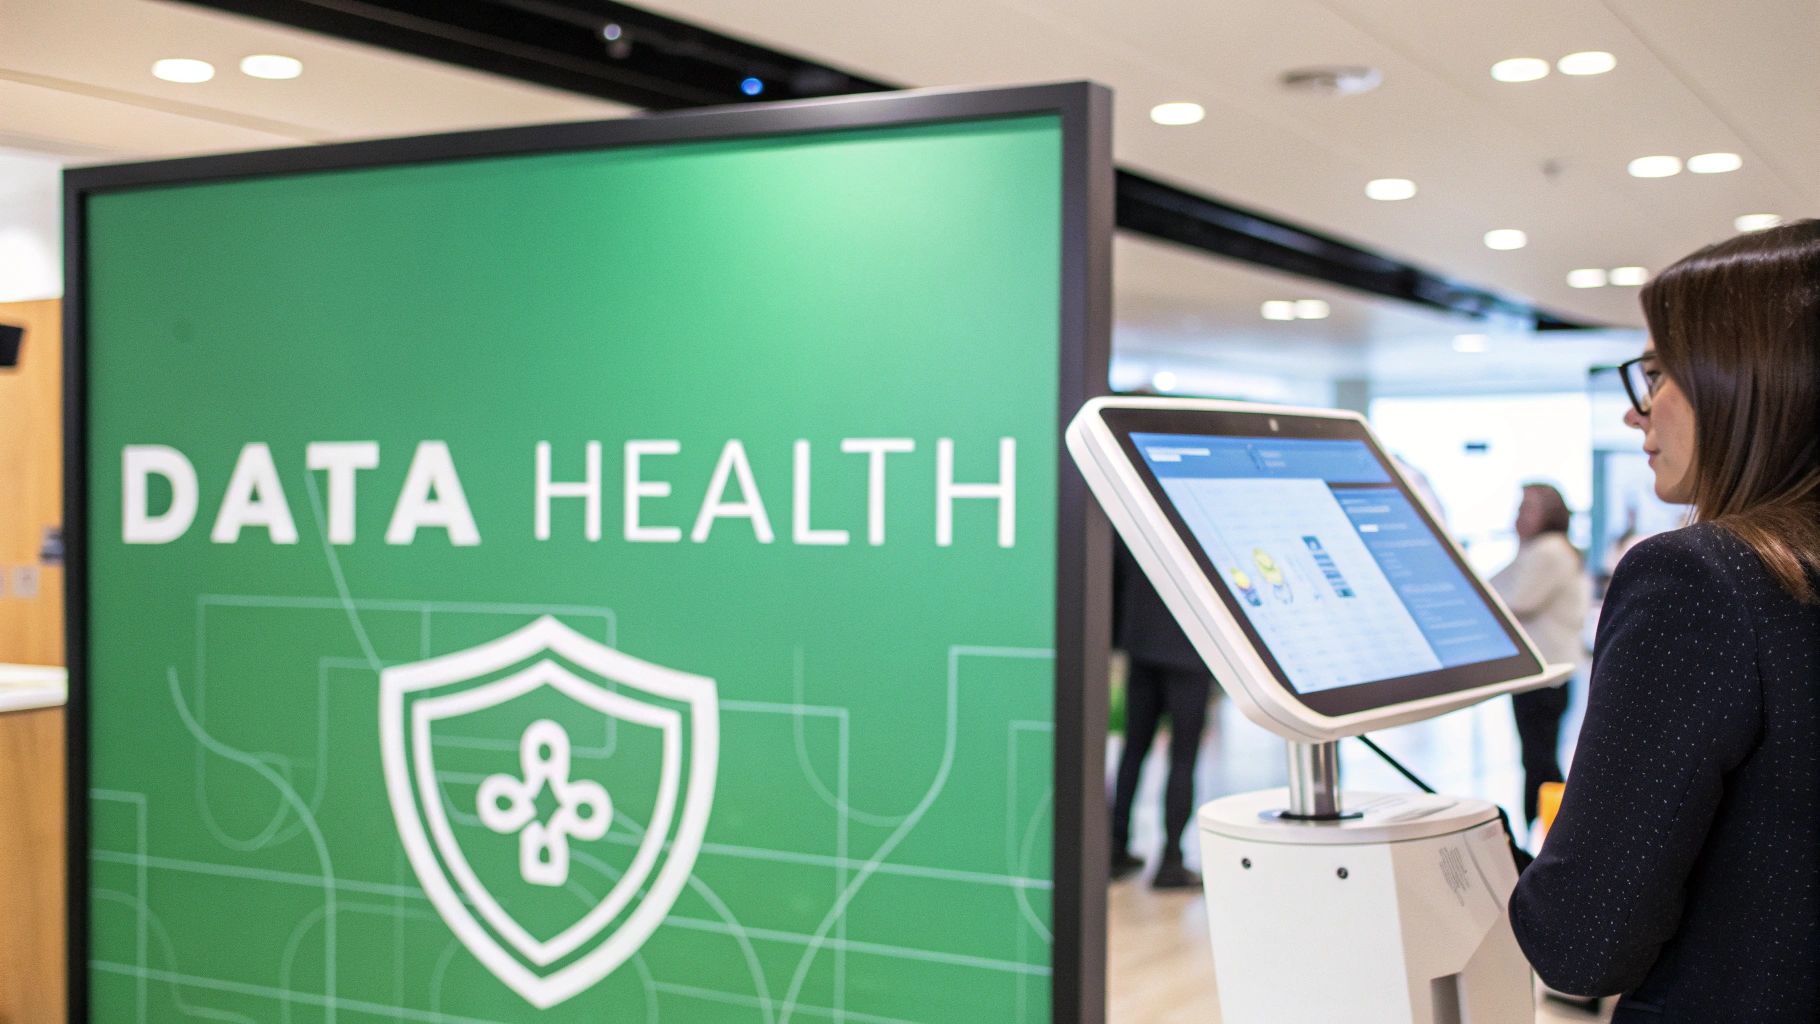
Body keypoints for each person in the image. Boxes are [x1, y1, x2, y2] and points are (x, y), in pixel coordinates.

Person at [1509, 220, 1820, 1021]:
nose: (1636, 414)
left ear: (1745, 379)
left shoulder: (1700, 579)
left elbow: (1584, 942)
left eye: (1656, 373)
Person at [1108, 538, 1214, 890]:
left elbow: (1115, 575)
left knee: (1133, 749)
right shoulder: (1196, 516)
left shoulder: (1137, 510)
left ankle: (1115, 848)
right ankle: (1171, 862)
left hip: (1140, 642)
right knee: (1183, 757)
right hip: (1189, 647)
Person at [1489, 483, 1588, 825]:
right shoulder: (1539, 551)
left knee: (1539, 761)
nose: (1518, 517)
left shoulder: (1548, 551)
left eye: (1527, 508)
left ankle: (1548, 834)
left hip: (1545, 674)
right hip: (1544, 674)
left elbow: (1514, 600)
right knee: (1537, 758)